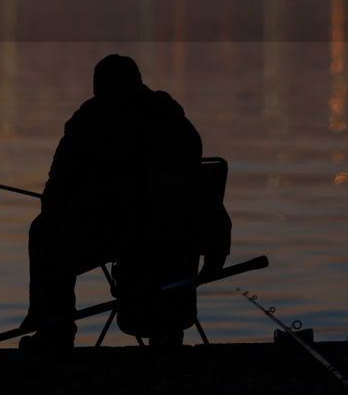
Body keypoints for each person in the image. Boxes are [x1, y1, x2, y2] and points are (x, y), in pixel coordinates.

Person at [20, 54, 213, 353]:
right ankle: (167, 329)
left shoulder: (89, 120)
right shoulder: (172, 118)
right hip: (175, 238)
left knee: (44, 232)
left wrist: (65, 205)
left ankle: (54, 331)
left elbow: (56, 190)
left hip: (117, 233)